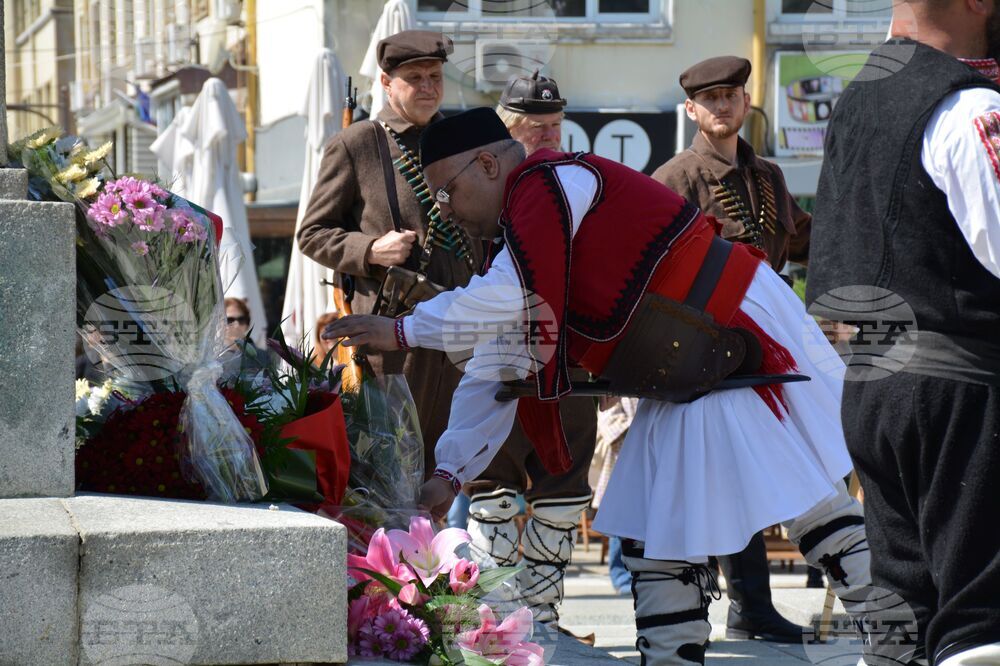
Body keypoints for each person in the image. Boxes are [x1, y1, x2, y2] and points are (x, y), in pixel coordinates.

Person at [323, 108, 872, 665]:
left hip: (727, 330)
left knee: (801, 499)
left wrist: (402, 328)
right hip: (686, 358)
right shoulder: (523, 233)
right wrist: (450, 473)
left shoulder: (551, 181)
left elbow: (503, 304)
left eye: (446, 194)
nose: (446, 213)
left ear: (486, 163)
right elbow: (499, 358)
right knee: (661, 533)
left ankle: (904, 642)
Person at [807, 1, 1000, 664]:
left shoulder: (861, 98)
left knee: (906, 617)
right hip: (963, 391)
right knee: (983, 618)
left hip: (876, 386)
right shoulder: (970, 108)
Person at [651, 56, 811, 643]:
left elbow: (801, 236)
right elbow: (653, 266)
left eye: (731, 95)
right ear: (691, 109)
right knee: (705, 477)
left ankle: (751, 607)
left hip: (760, 348)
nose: (721, 106)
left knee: (750, 475)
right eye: (709, 98)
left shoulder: (767, 174)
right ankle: (695, 608)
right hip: (699, 352)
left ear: (746, 103)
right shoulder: (675, 178)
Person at [298, 30, 482, 477]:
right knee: (387, 472)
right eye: (415, 77)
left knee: (447, 471)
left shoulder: (459, 140)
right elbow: (312, 233)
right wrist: (371, 249)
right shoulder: (358, 143)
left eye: (435, 76)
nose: (428, 87)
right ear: (386, 82)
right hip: (392, 341)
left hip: (456, 331)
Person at [455, 72, 598, 635]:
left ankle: (541, 612)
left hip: (569, 362)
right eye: (536, 129)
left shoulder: (582, 186)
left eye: (555, 127)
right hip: (494, 365)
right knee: (492, 488)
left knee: (563, 489)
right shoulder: (478, 189)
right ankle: (499, 617)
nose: (549, 139)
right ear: (507, 134)